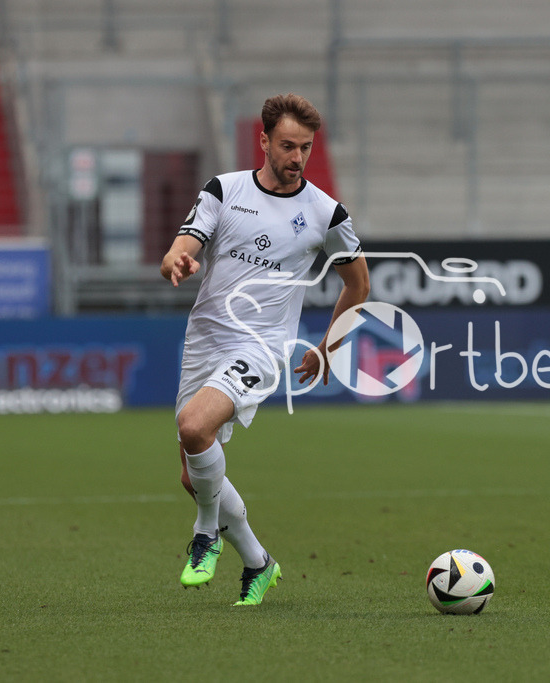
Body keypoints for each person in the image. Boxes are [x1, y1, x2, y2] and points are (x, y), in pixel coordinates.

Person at [160, 93, 370, 606]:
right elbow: (186, 243)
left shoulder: (325, 212)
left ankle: (206, 533)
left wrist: (327, 346)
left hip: (261, 346)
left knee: (194, 426)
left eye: (306, 147)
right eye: (287, 145)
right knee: (194, 471)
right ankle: (259, 563)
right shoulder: (224, 190)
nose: (297, 157)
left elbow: (359, 286)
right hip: (205, 338)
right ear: (264, 141)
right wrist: (175, 260)